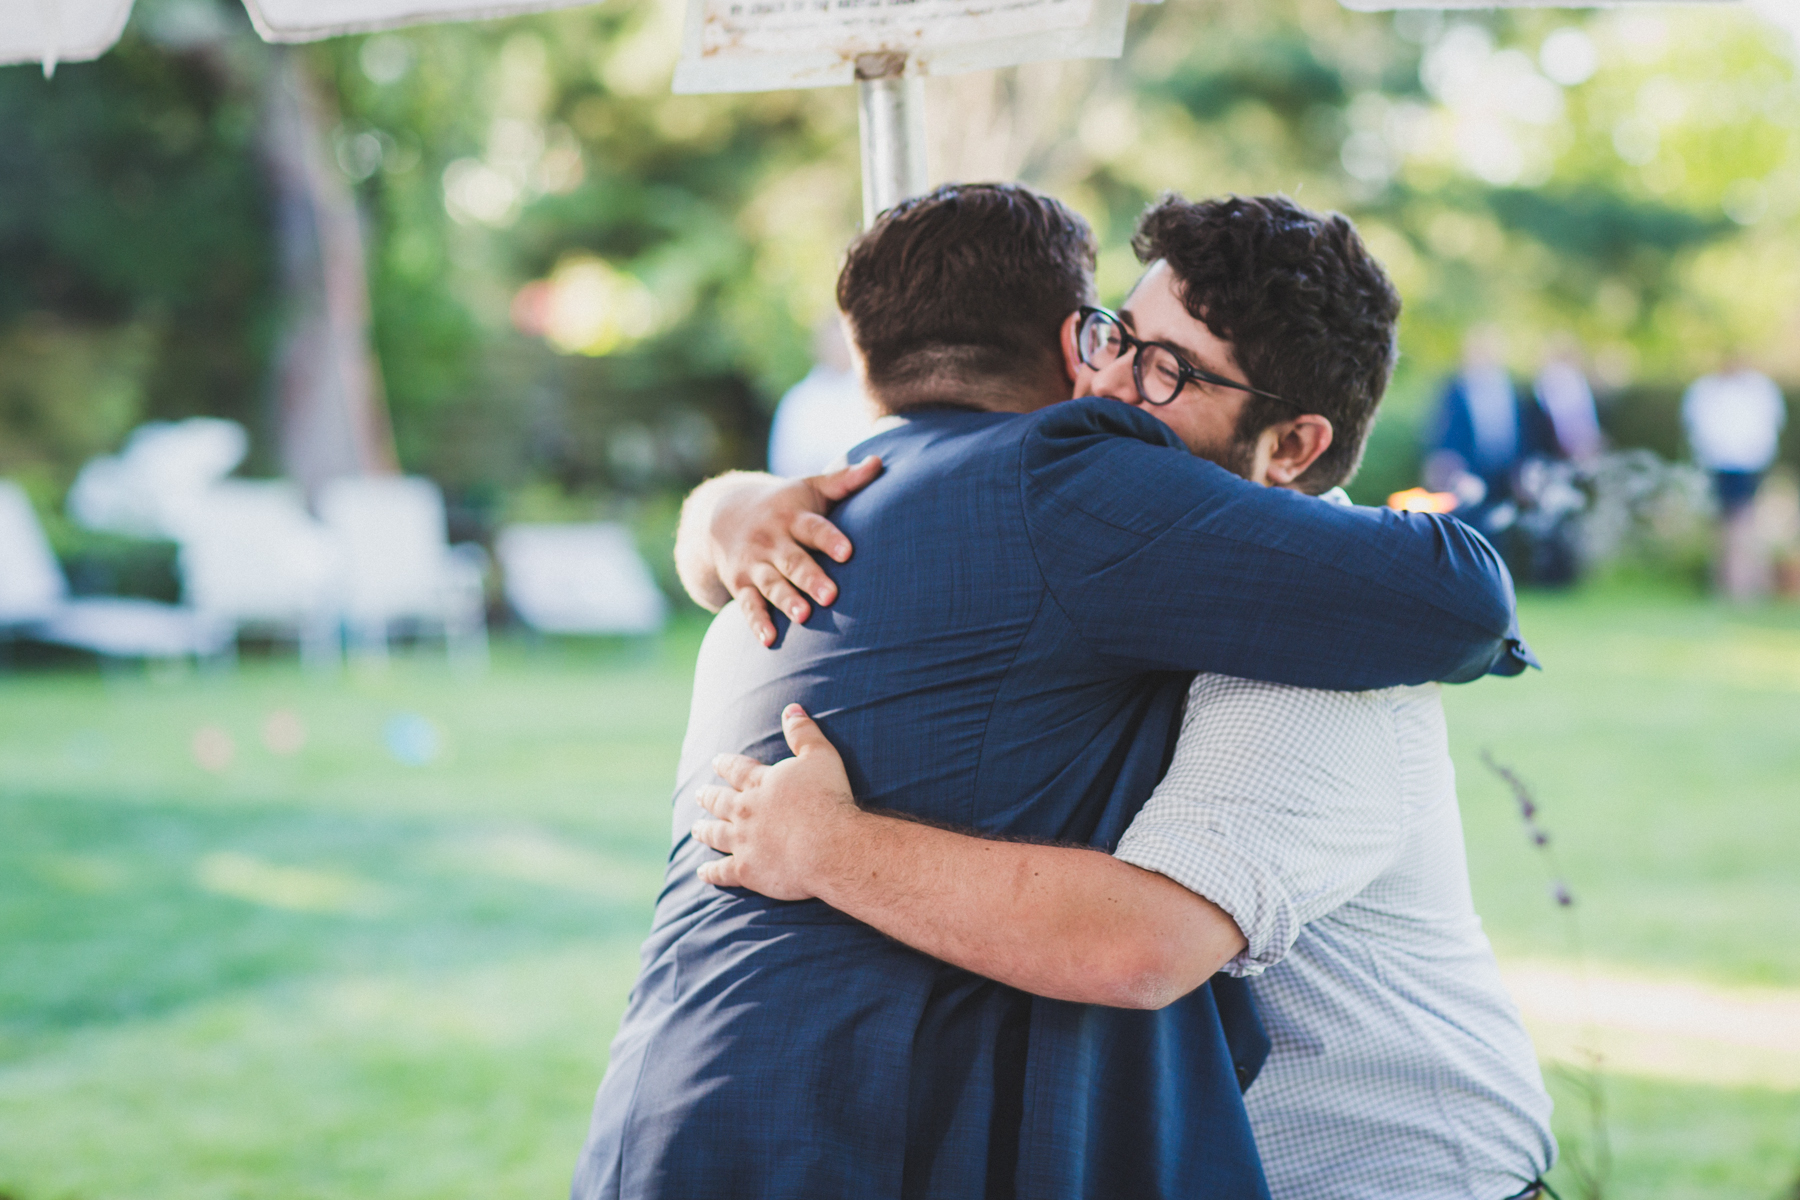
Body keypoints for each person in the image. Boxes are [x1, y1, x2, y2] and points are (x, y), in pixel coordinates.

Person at [570, 185, 1532, 1200]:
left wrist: (832, 846)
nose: (1110, 380)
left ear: (1294, 446)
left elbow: (1136, 946)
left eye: (1166, 368)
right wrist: (732, 511)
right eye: (1118, 335)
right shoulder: (1067, 542)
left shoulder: (1329, 654)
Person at [1683, 352, 1787, 600]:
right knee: (1728, 522)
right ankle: (1732, 581)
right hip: (1720, 462)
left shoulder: (1759, 389)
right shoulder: (1706, 390)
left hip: (1747, 462)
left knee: (1741, 521)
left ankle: (1742, 583)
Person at [1424, 326, 1523, 534]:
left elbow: (1520, 431)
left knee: (1500, 530)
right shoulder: (1455, 388)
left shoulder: (1510, 387)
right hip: (1467, 470)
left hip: (1504, 473)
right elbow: (1442, 431)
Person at [766, 316, 875, 477]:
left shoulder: (872, 394)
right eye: (832, 341)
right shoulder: (798, 399)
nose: (838, 348)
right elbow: (784, 462)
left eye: (843, 341)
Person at [1532, 335, 1603, 464]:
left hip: (1580, 443)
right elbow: (1560, 417)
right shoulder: (1554, 378)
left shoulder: (1575, 377)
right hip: (1568, 447)